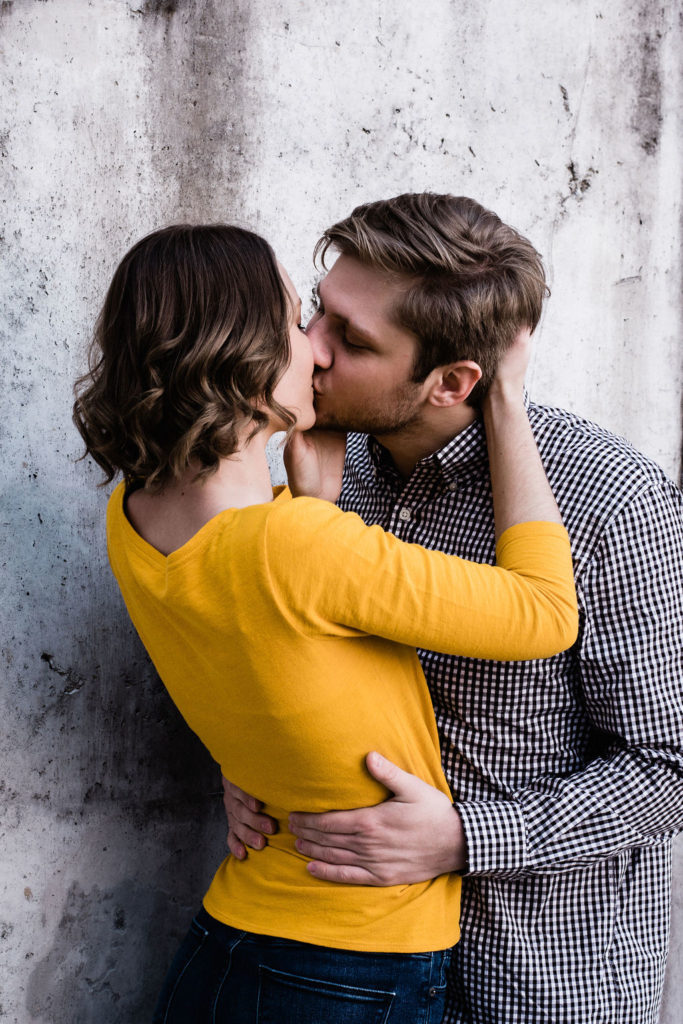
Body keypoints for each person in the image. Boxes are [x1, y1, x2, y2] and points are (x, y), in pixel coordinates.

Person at [72, 223, 578, 1024]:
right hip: (345, 968)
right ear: (240, 359)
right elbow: (544, 613)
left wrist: (312, 508)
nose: (313, 348)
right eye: (293, 322)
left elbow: (273, 649)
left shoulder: (130, 516)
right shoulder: (296, 547)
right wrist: (506, 401)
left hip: (232, 939)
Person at [223, 194, 683, 1024]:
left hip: (532, 981)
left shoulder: (607, 501)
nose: (309, 351)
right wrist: (249, 764)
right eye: (317, 314)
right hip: (341, 970)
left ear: (452, 382)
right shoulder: (321, 474)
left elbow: (669, 765)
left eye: (351, 340)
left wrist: (466, 838)